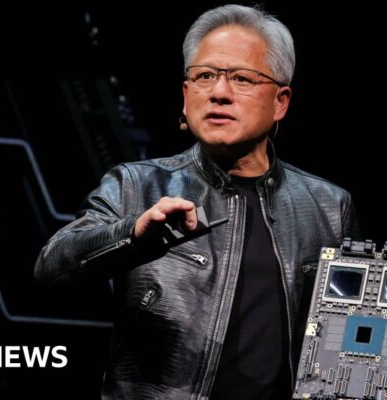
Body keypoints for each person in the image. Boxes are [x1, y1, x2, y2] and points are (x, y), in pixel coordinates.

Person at [35, 4, 360, 400]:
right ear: (186, 95)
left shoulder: (329, 206)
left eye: (242, 78)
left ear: (281, 101)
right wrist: (133, 236)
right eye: (205, 76)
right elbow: (51, 269)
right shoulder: (137, 184)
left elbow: (345, 345)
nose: (219, 93)